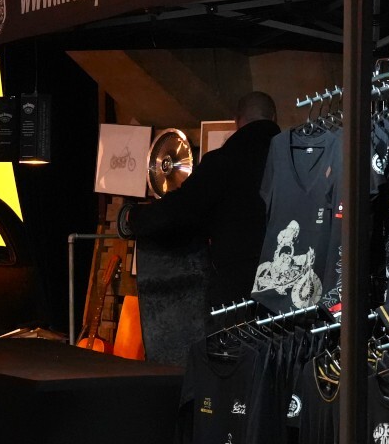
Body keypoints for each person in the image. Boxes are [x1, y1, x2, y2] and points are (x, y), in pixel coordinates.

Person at [119, 91, 280, 308]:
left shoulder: (223, 162)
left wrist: (134, 217)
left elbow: (178, 211)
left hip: (240, 292)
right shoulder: (295, 157)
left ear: (237, 121)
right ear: (274, 118)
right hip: (291, 285)